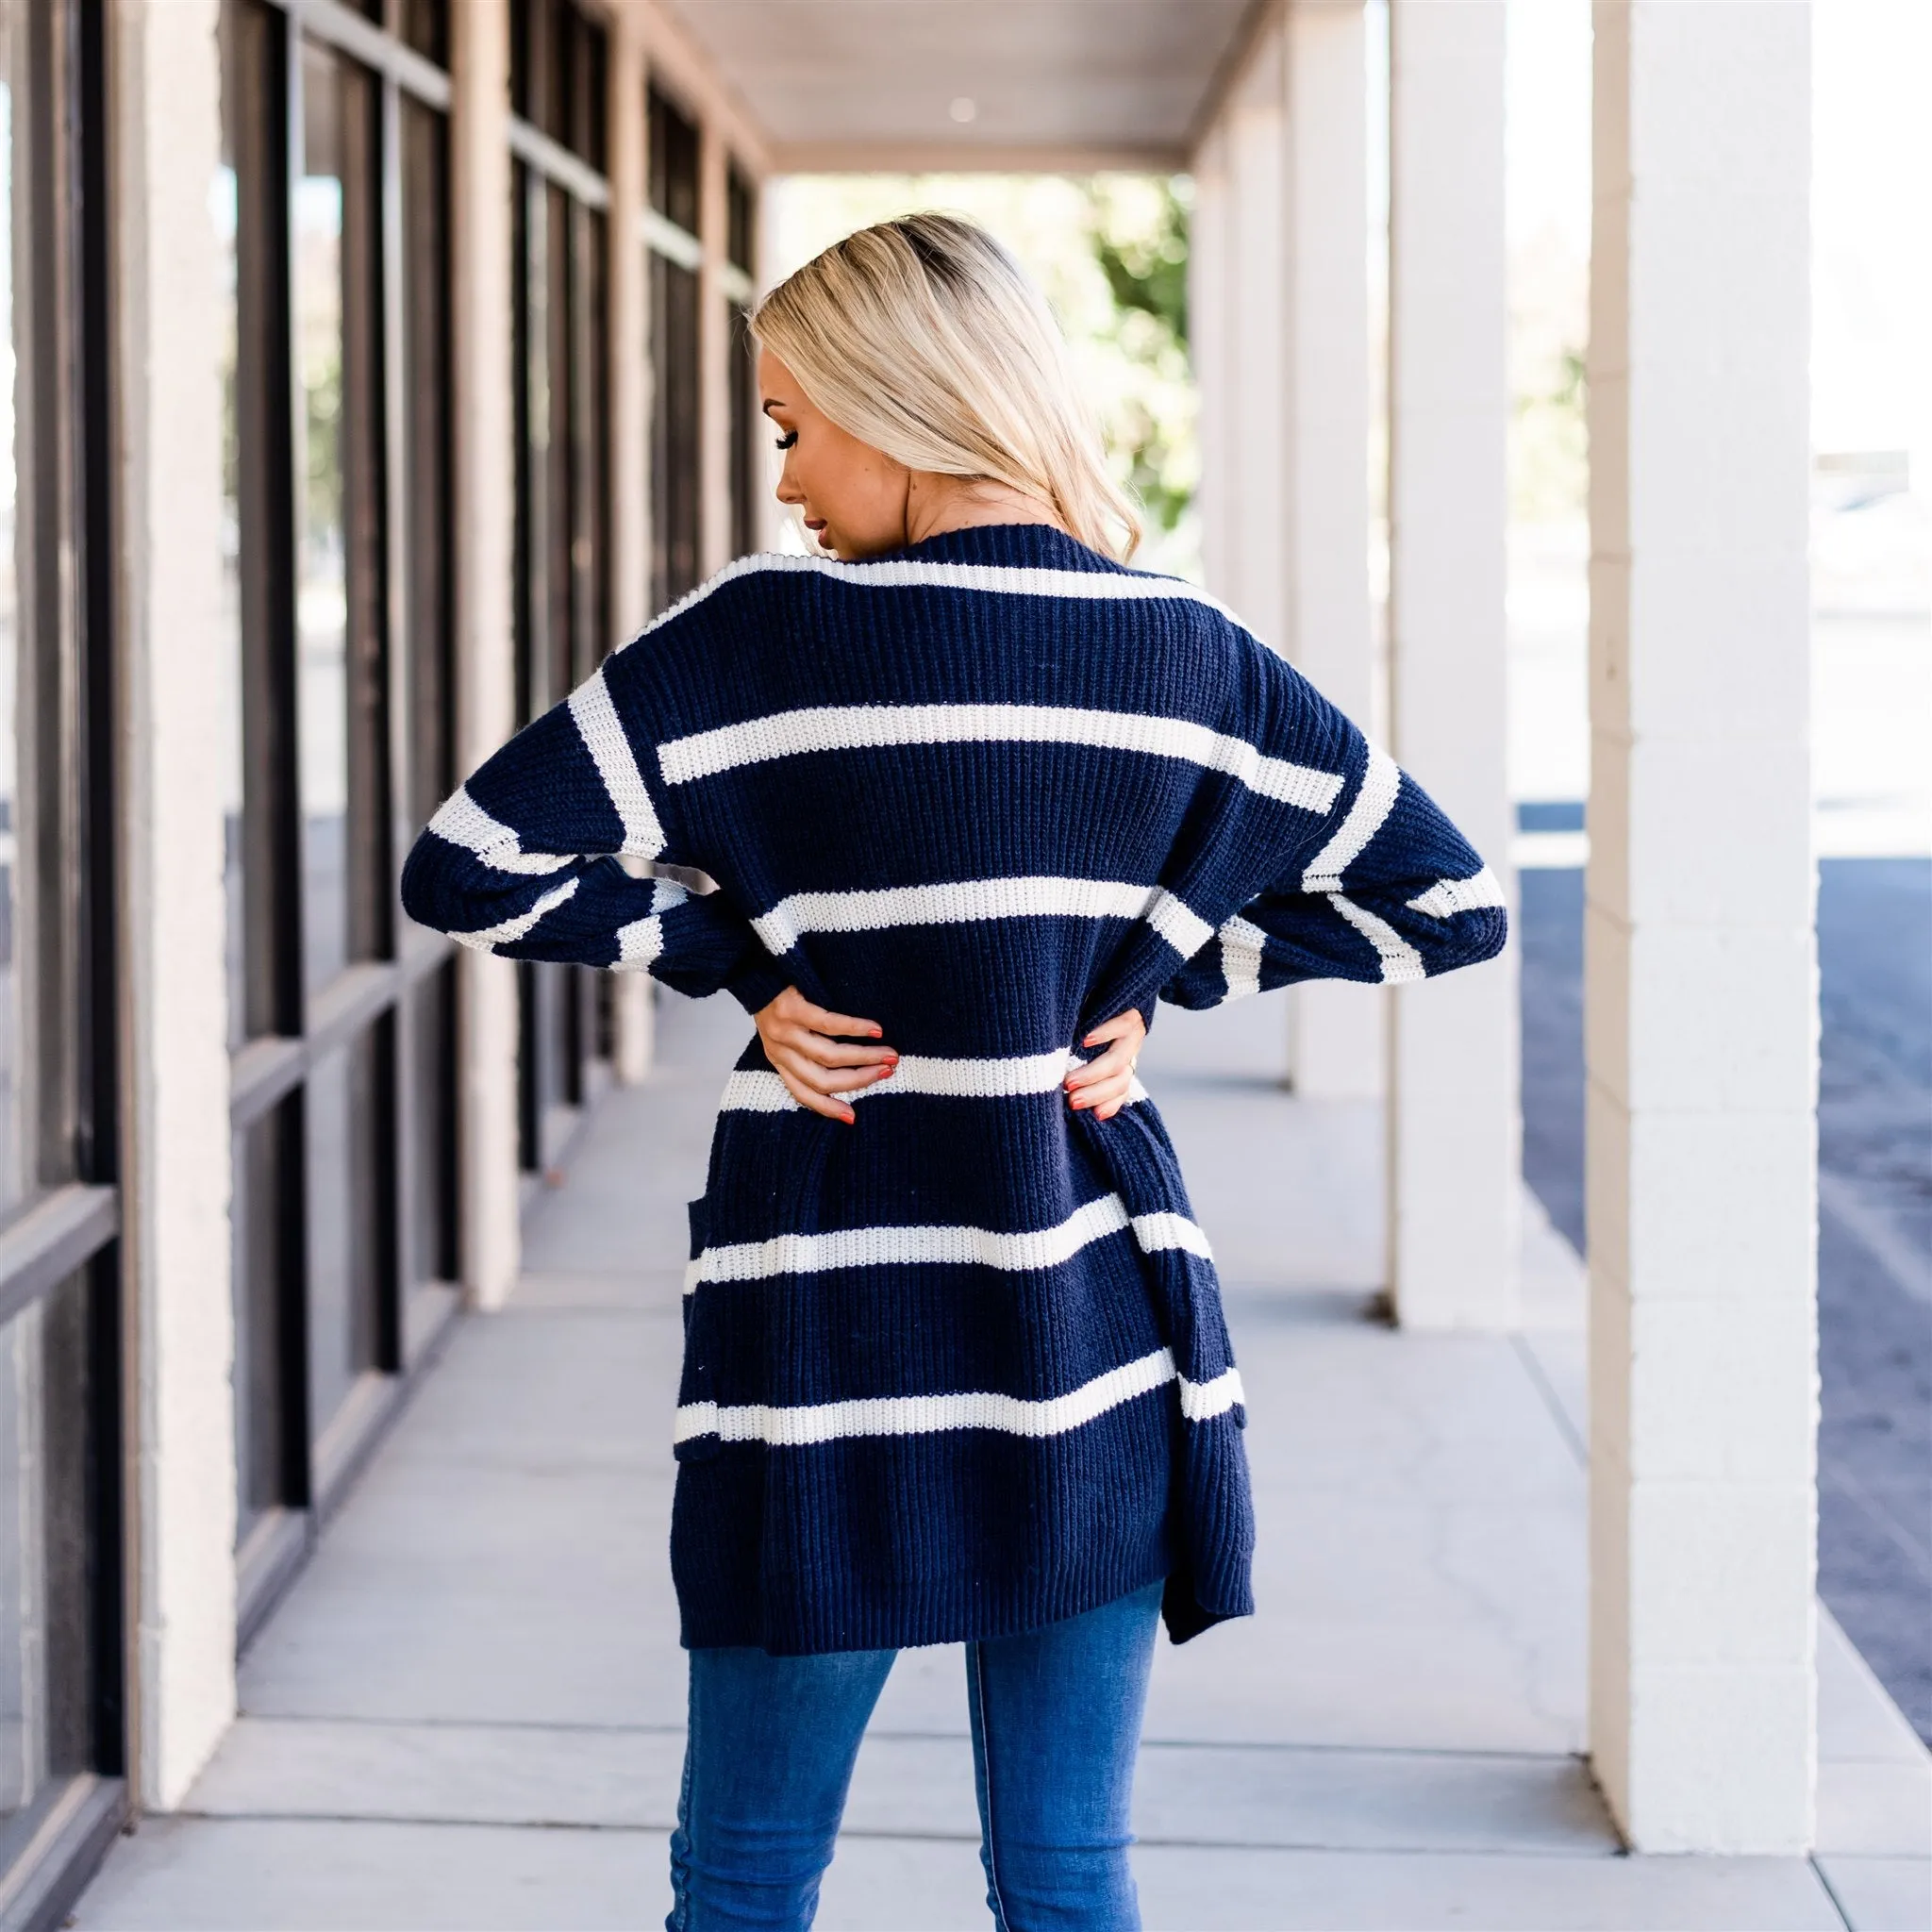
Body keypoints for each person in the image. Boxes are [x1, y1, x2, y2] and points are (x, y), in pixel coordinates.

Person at [400, 212, 1507, 1932]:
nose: (783, 482)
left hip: (830, 1323)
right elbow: (1443, 899)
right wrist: (1179, 979)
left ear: (893, 401)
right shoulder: (1186, 654)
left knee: (748, 1875)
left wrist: (738, 971)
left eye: (791, 428)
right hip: (1097, 1324)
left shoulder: (751, 645)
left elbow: (469, 863)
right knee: (1066, 1877)